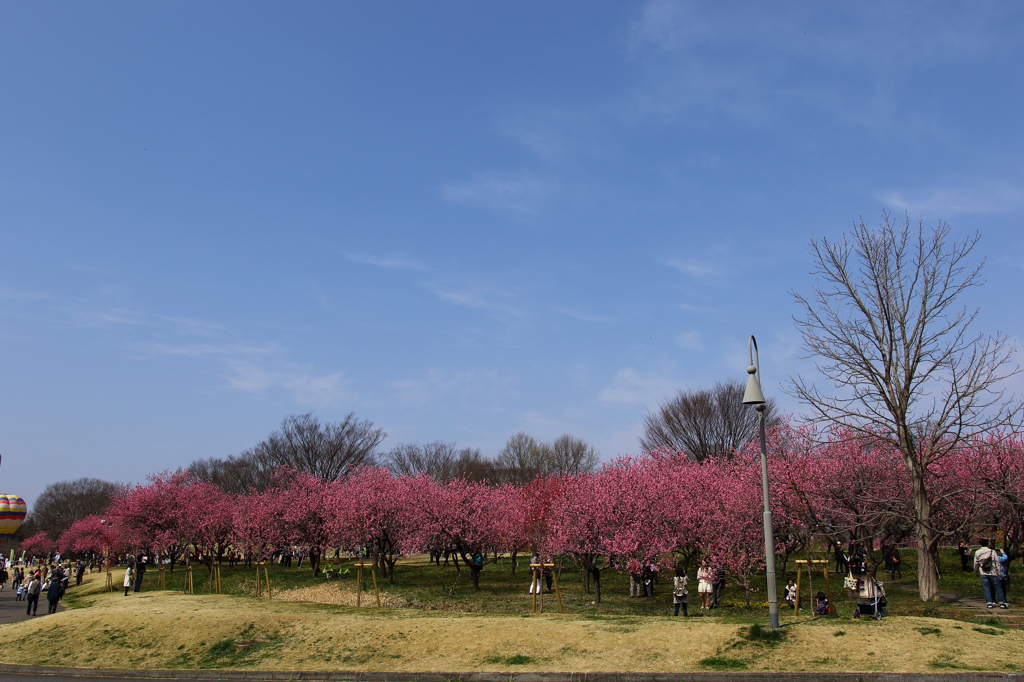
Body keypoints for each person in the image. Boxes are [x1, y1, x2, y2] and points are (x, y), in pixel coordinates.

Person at [974, 538, 1007, 609]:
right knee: (998, 588)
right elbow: (997, 562)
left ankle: (989, 603)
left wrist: (976, 571)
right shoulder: (992, 551)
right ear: (987, 543)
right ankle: (1002, 603)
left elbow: (976, 563)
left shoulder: (977, 552)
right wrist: (999, 572)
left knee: (986, 588)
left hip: (983, 572)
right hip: (993, 572)